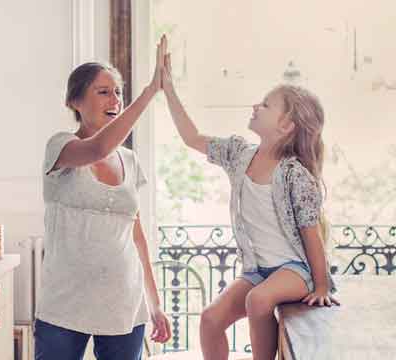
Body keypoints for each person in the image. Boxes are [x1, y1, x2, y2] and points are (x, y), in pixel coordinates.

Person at [159, 36, 338, 359]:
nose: (256, 106)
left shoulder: (295, 175)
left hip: (296, 270)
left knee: (258, 300)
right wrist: (168, 89)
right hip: (257, 269)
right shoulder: (239, 154)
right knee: (210, 319)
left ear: (285, 125)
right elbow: (191, 137)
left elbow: (312, 236)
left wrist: (322, 286)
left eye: (266, 104)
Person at [34, 37, 172, 360]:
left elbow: (137, 237)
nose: (115, 100)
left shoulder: (130, 160)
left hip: (124, 304)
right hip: (65, 305)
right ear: (75, 102)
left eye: (118, 92)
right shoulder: (60, 147)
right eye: (103, 91)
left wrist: (155, 304)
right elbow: (98, 148)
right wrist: (151, 90)